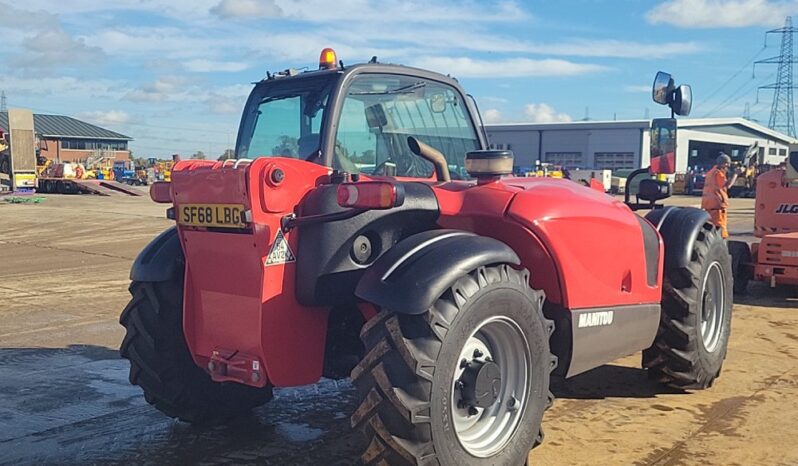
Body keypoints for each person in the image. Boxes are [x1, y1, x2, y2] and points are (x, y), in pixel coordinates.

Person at [701, 153, 738, 238]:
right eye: (727, 165)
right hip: (717, 208)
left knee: (710, 231)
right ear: (724, 164)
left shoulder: (710, 173)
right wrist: (736, 174)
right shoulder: (718, 174)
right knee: (720, 231)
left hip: (708, 206)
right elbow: (727, 185)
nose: (728, 167)